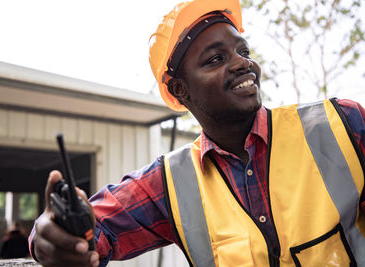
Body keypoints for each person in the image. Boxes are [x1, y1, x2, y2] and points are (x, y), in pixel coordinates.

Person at [29, 0, 365, 266]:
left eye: (243, 51)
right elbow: (94, 230)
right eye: (216, 58)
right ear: (181, 90)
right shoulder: (171, 183)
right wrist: (53, 235)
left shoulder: (343, 125)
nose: (242, 63)